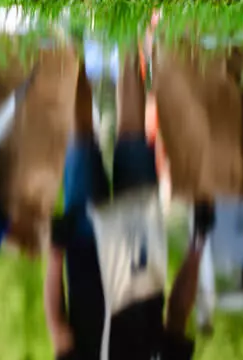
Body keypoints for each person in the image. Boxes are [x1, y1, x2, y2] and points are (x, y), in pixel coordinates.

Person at [44, 51, 211, 359]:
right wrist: (197, 246)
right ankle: (127, 22)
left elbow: (58, 327)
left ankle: (73, 34)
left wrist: (55, 253)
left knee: (81, 140)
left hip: (85, 247)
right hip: (139, 247)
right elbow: (177, 316)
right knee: (132, 136)